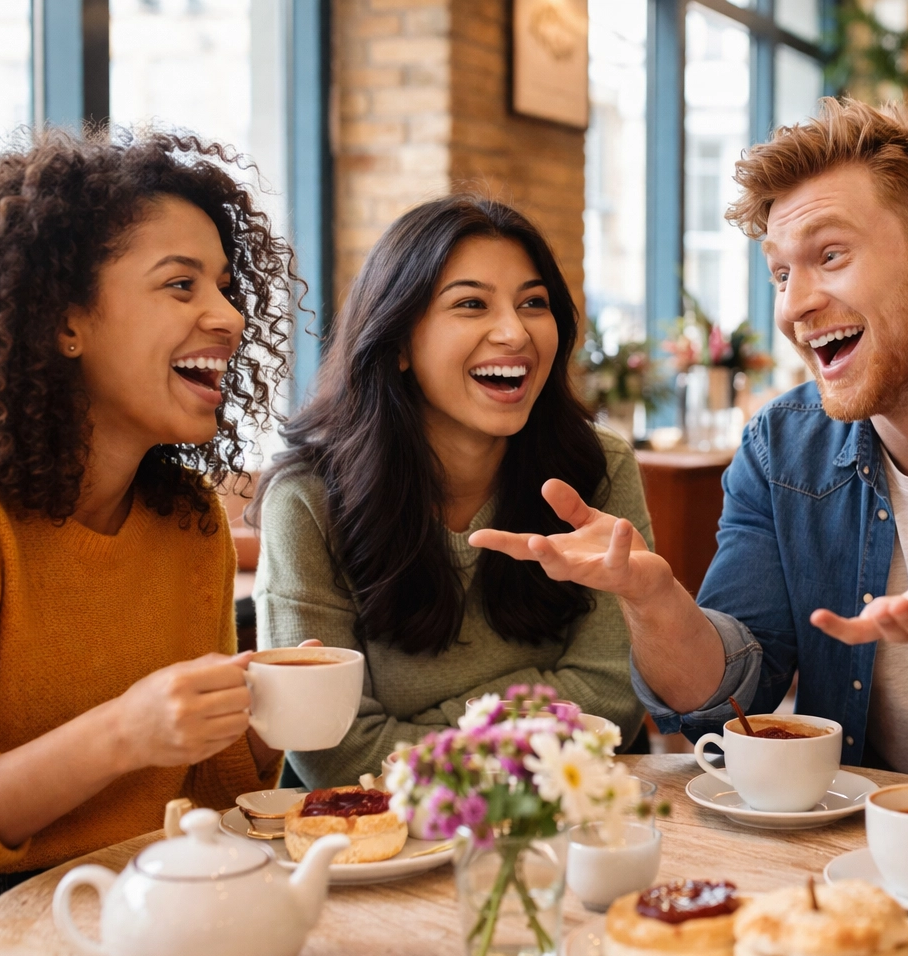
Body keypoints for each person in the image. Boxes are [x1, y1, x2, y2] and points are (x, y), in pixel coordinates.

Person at [470, 98, 908, 812]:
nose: (792, 307)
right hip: (852, 855)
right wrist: (655, 604)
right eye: (781, 274)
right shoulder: (783, 445)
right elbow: (735, 698)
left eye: (829, 256)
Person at [0, 131, 298, 956]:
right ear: (64, 318)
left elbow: (211, 796)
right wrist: (122, 733)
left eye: (228, 289)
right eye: (181, 284)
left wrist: (263, 712)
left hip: (139, 896)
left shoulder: (188, 520)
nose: (229, 318)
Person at [253, 195, 650, 788]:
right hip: (382, 838)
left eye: (533, 303)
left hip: (565, 818)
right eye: (471, 304)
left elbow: (611, 695)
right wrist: (518, 720)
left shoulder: (597, 467)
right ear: (399, 342)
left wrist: (425, 727)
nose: (514, 332)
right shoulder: (309, 498)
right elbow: (329, 748)